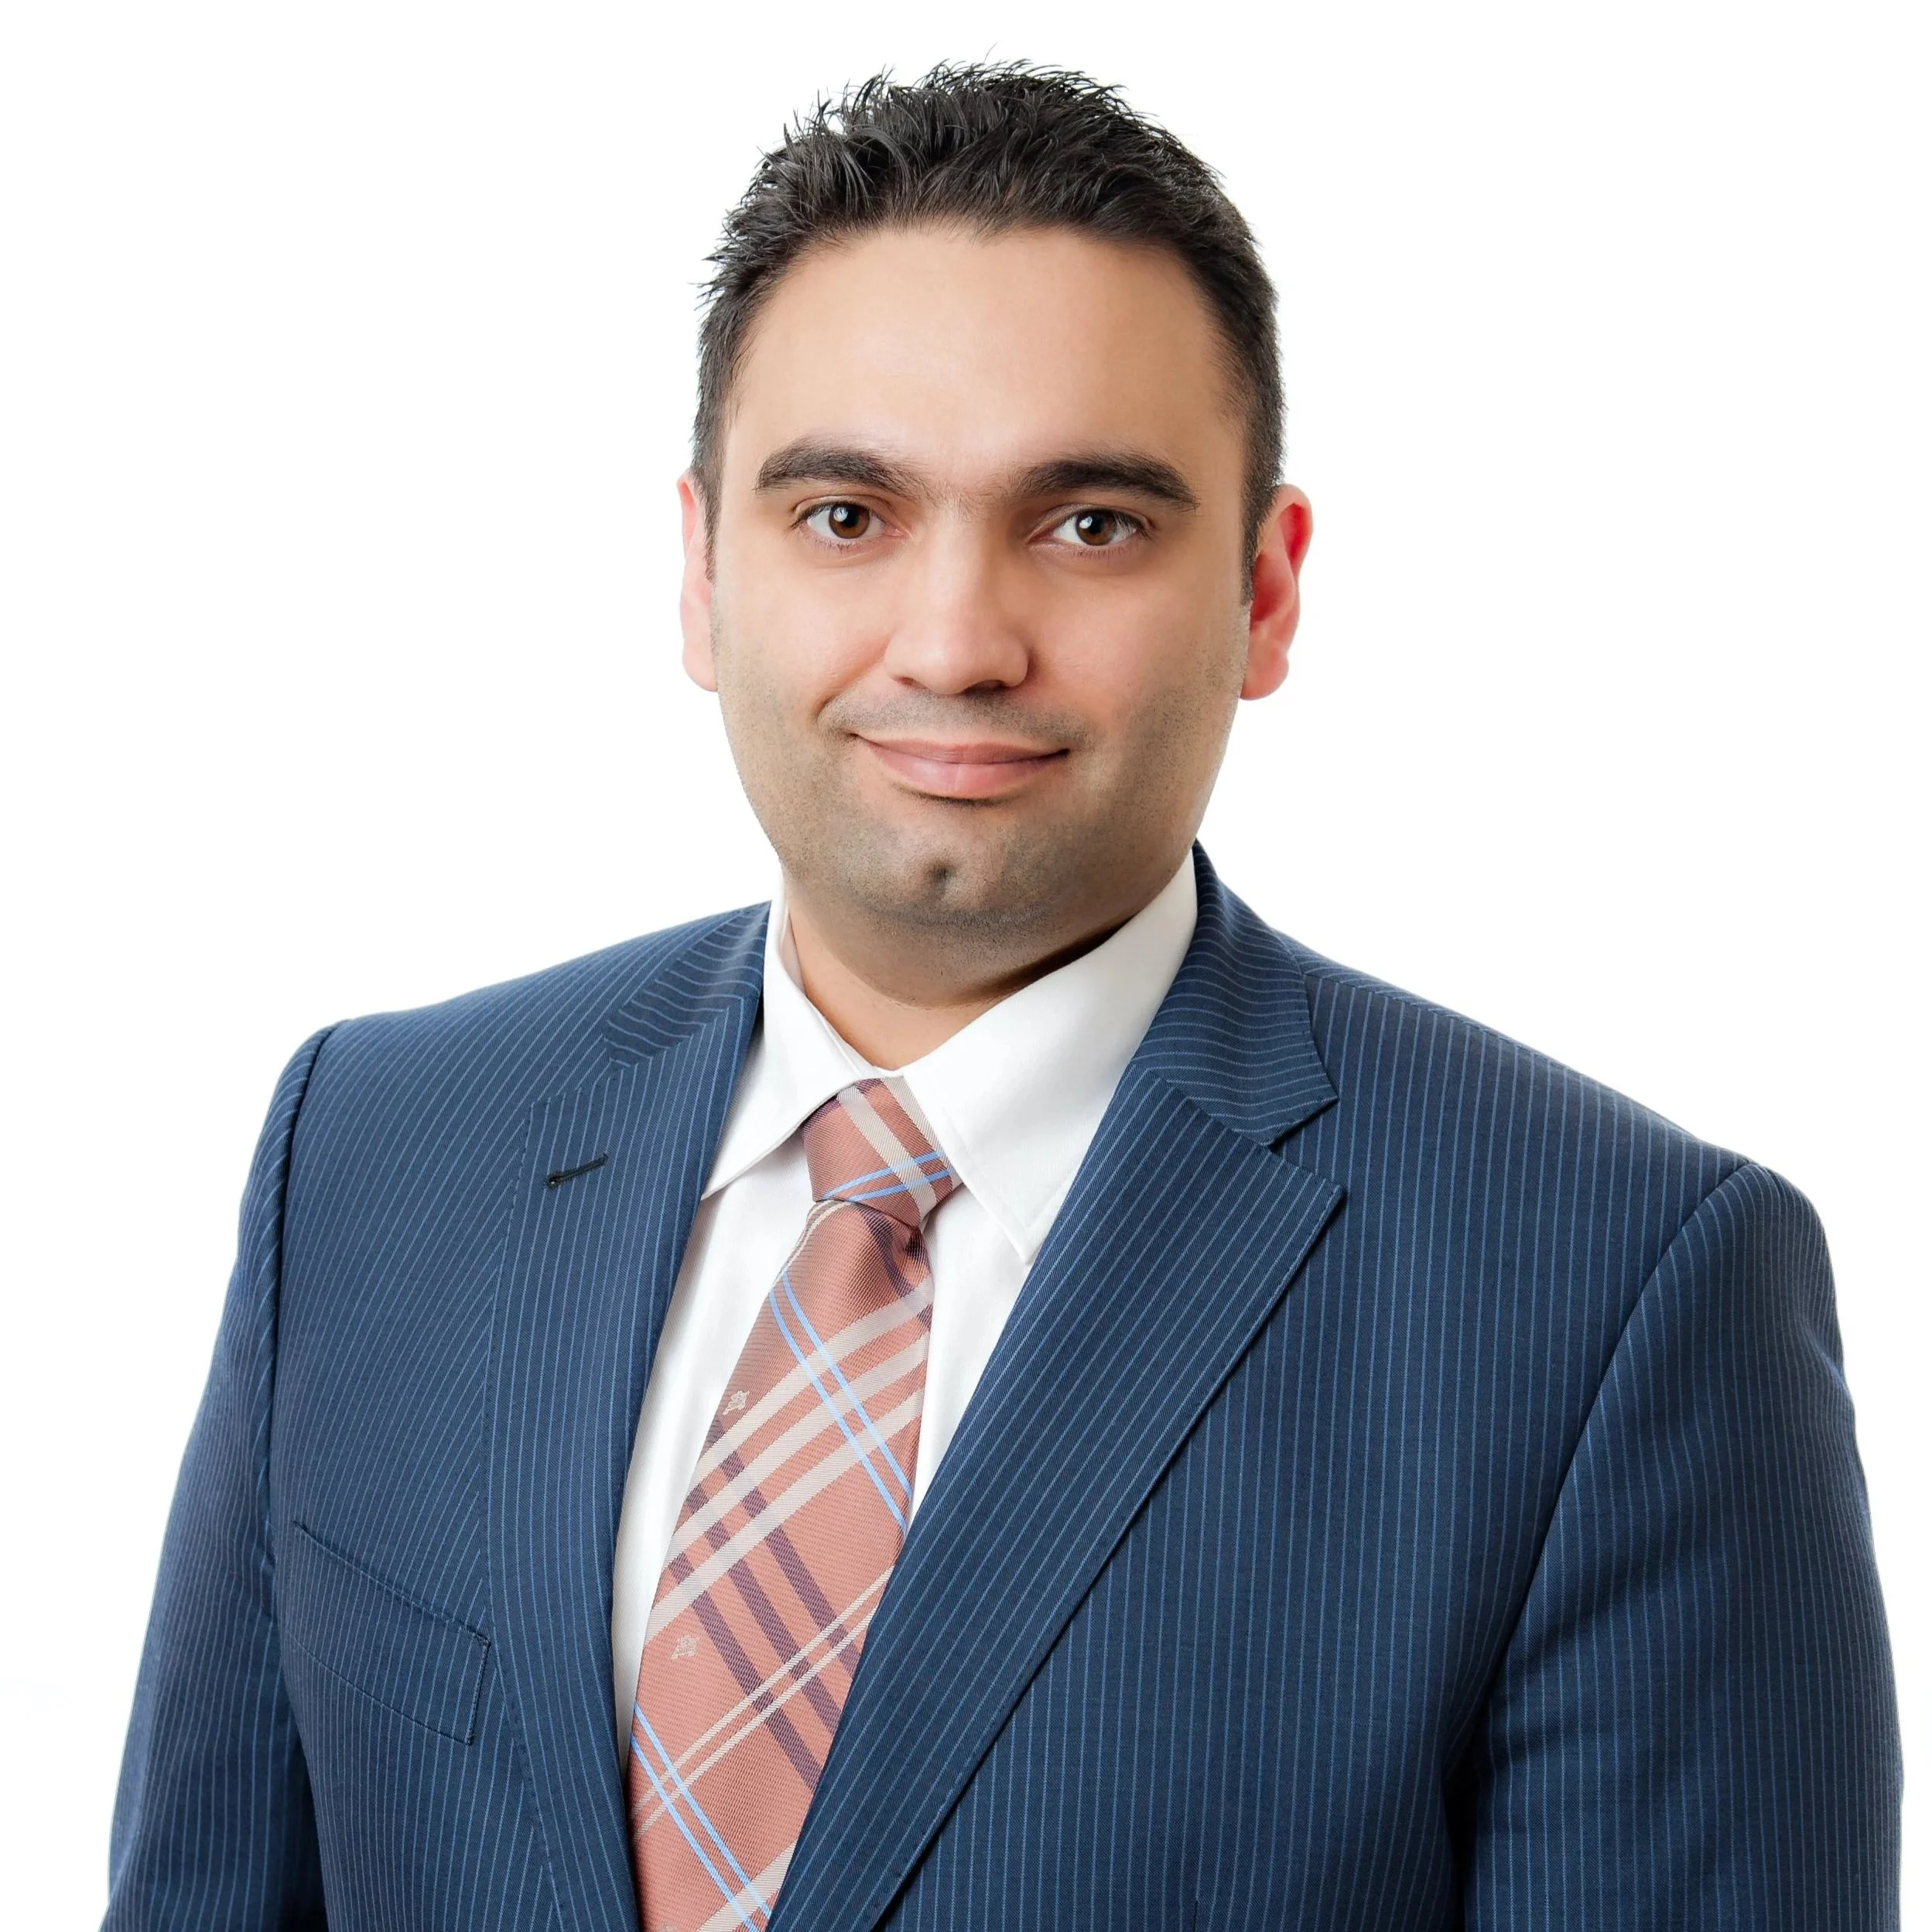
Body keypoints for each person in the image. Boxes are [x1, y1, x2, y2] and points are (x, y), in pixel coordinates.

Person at [104, 63, 1900, 1932]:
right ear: (704, 571)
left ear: (1267, 592)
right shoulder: (381, 1158)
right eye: (846, 516)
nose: (955, 644)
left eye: (1092, 523)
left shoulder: (1618, 1297)